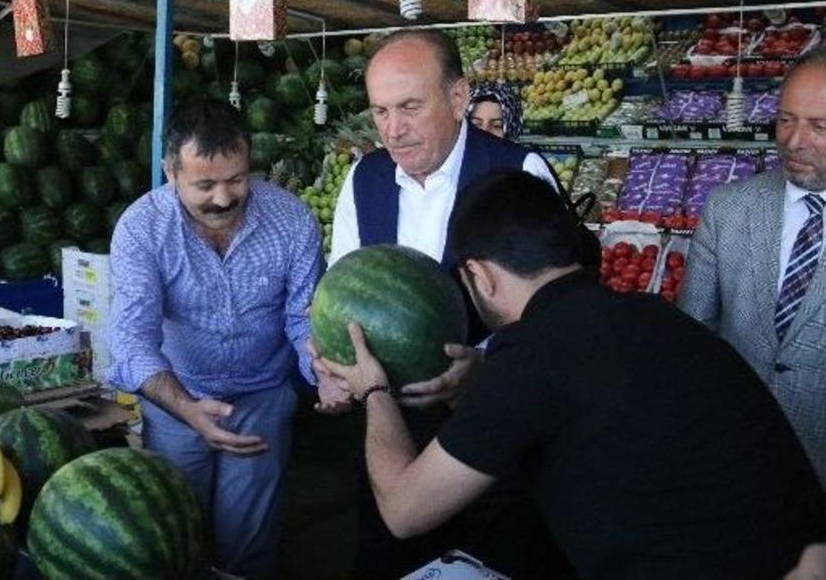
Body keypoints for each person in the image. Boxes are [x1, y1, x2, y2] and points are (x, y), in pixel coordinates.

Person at [314, 170, 826, 580]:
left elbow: (405, 512)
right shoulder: (651, 314)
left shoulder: (533, 357)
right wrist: (483, 382)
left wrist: (374, 390)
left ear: (481, 276)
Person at [325, 29, 570, 579]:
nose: (393, 129)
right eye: (380, 111)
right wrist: (330, 363)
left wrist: (484, 367)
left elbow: (558, 315)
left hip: (492, 434)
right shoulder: (363, 180)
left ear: (458, 98)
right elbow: (341, 296)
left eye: (410, 106)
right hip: (391, 429)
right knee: (388, 555)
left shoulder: (519, 174)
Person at [105, 101, 348, 578]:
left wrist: (323, 370)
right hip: (178, 396)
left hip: (260, 396)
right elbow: (132, 338)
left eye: (236, 180)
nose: (223, 198)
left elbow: (303, 321)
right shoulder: (141, 229)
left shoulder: (292, 220)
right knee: (179, 534)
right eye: (204, 185)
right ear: (170, 172)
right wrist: (185, 407)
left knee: (248, 542)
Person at [679, 47, 826, 488]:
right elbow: (694, 338)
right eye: (785, 120)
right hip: (733, 463)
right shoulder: (730, 209)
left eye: (819, 126)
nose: (795, 140)